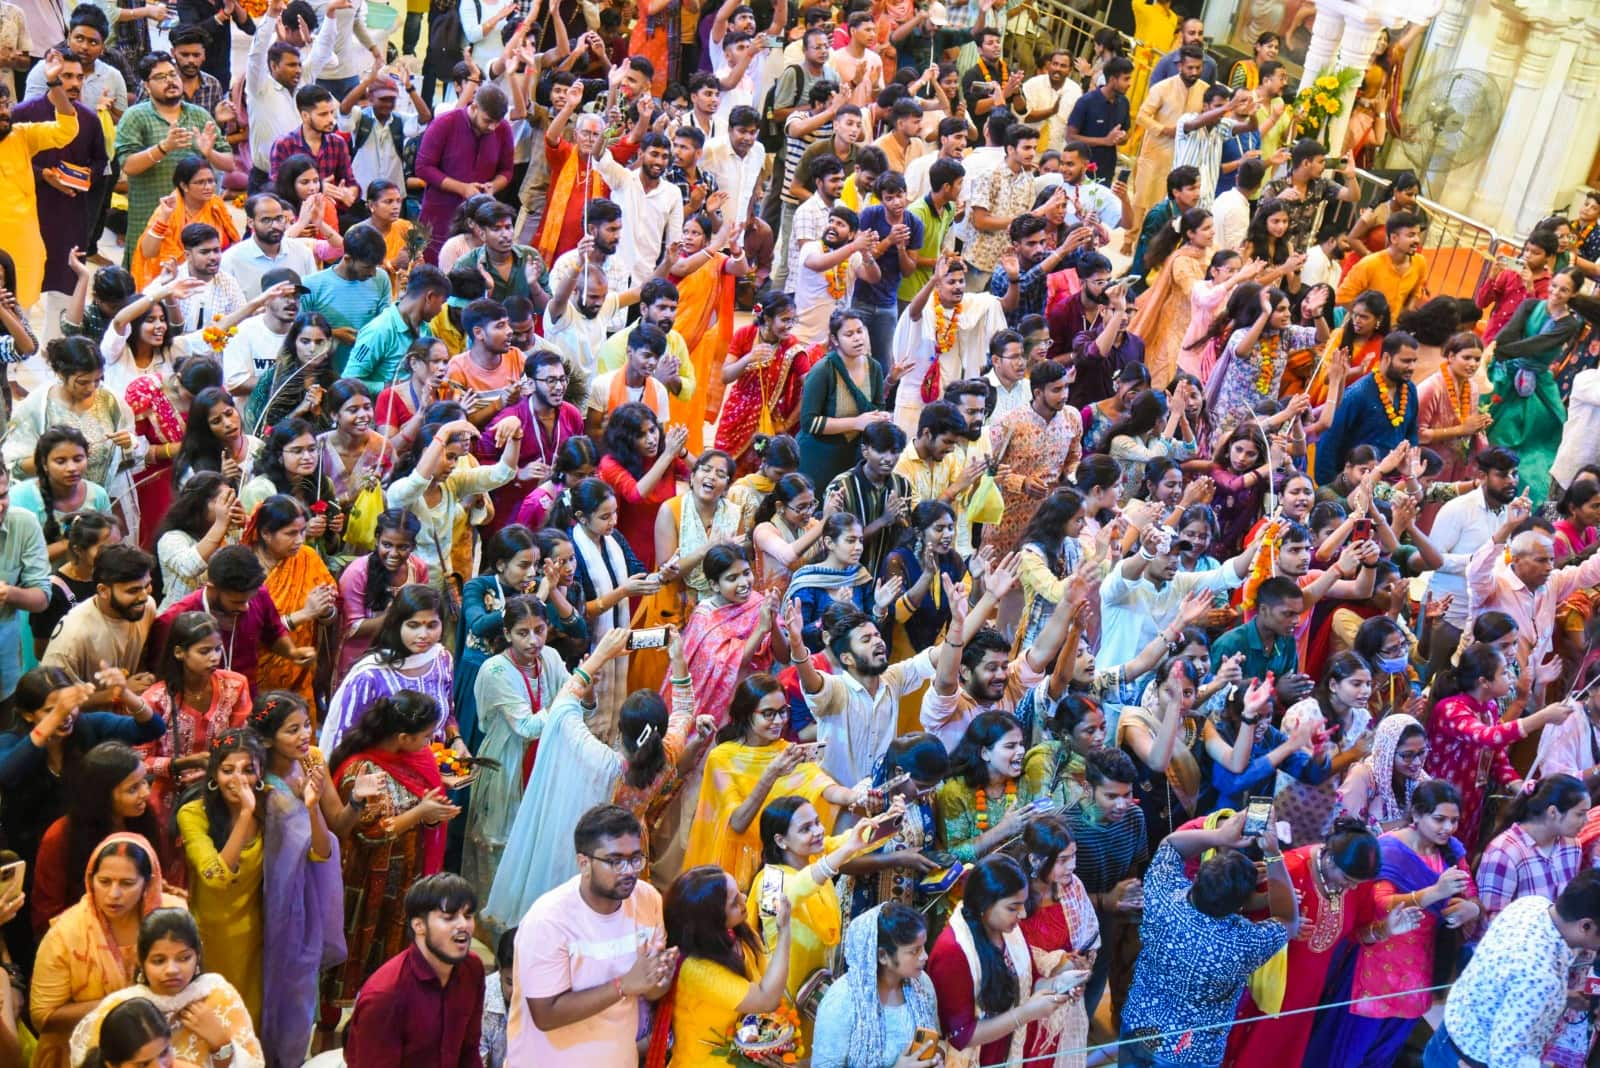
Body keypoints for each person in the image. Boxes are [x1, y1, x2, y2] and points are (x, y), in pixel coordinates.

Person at [1310, 780, 1481, 1068]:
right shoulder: (1389, 848)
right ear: (1416, 815)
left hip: (1419, 968)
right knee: (1351, 1050)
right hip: (1376, 964)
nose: (1448, 828)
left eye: (1454, 820)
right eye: (1439, 819)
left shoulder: (1451, 851)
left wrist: (1469, 909)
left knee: (1385, 1051)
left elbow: (1473, 895)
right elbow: (1379, 903)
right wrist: (1434, 894)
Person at [1224, 818, 1414, 1068]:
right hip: (1265, 990)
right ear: (1330, 858)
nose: (1353, 887)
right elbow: (1238, 926)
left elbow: (1357, 934)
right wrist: (1281, 929)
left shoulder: (1358, 881)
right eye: (1347, 879)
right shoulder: (1290, 870)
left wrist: (1385, 930)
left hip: (1306, 994)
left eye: (1357, 882)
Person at [322, 692, 461, 1009]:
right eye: (425, 736)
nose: (429, 744)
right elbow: (371, 833)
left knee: (388, 953)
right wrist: (421, 813)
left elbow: (414, 809)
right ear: (402, 737)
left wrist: (431, 816)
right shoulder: (365, 770)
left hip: (400, 879)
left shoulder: (408, 760)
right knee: (358, 950)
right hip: (367, 881)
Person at [504, 803, 672, 1065]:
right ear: (584, 863)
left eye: (635, 859)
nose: (629, 871)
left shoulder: (648, 900)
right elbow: (546, 1014)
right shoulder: (548, 920)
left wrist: (660, 978)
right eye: (615, 861)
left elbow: (649, 990)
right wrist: (623, 985)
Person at [28, 833, 185, 1068]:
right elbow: (44, 1016)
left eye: (127, 883)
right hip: (81, 1056)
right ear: (90, 879)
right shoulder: (66, 934)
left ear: (148, 883)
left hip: (162, 1051)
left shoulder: (172, 916)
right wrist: (123, 1003)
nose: (113, 894)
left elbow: (194, 976)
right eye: (104, 881)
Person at [1423, 869, 1600, 1068]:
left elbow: (1511, 983)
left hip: (1449, 1038)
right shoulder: (1541, 977)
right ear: (1585, 926)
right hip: (1469, 1060)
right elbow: (1506, 1060)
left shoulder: (1532, 905)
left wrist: (1561, 996)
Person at [927, 854, 1078, 1067]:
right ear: (984, 904)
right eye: (1013, 907)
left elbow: (1029, 984)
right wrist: (1024, 1014)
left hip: (1005, 1053)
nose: (1023, 914)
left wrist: (1059, 985)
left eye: (1023, 905)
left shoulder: (1008, 930)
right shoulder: (952, 950)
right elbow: (961, 1037)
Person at [67, 908, 264, 1068]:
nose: (172, 970)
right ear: (140, 960)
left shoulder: (218, 996)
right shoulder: (119, 1008)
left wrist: (221, 1044)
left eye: (184, 958)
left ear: (197, 955)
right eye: (159, 960)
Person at [656, 864, 794, 1068]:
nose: (744, 899)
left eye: (740, 892)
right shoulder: (695, 969)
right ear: (710, 921)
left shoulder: (739, 933)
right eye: (734, 902)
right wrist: (784, 933)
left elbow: (768, 986)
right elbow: (766, 999)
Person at [342, 872, 485, 1064]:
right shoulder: (386, 995)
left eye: (468, 916)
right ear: (419, 925)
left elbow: (469, 1051)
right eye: (449, 917)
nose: (463, 925)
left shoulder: (472, 969)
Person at [173, 728, 265, 1023]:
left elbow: (318, 852)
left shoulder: (274, 805)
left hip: (261, 935)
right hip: (211, 935)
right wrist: (245, 814)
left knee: (253, 1023)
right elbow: (215, 877)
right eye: (228, 770)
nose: (238, 779)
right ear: (213, 774)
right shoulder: (192, 813)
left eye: (248, 769)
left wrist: (312, 808)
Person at [115, 51, 233, 271]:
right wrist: (163, 148)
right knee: (148, 296)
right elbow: (128, 165)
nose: (170, 80)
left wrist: (209, 153)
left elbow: (228, 163)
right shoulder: (135, 116)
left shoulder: (199, 115)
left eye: (173, 74)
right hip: (151, 221)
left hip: (196, 227)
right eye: (160, 77)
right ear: (146, 86)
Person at [1486, 268, 1586, 503]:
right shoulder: (1530, 305)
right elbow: (1511, 331)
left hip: (1538, 378)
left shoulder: (1569, 323)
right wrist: (1496, 348)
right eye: (1554, 286)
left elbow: (1537, 345)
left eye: (1564, 290)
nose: (1555, 292)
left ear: (1573, 294)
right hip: (1509, 370)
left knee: (1559, 424)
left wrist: (1501, 351)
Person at [139, 611, 251, 817]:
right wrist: (186, 763)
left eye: (218, 649)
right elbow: (139, 761)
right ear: (180, 653)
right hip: (170, 799)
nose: (214, 657)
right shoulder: (154, 700)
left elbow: (243, 739)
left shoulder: (235, 686)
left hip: (223, 791)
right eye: (204, 651)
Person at [0, 51, 77, 308]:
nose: (4, 112)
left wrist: (54, 83)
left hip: (21, 252)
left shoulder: (21, 135)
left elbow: (67, 129)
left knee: (18, 324)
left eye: (5, 104)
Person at [1313, 331, 1421, 485]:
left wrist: (1411, 468)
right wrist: (1330, 488)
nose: (1412, 367)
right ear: (1386, 358)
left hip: (1394, 484)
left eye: (1414, 361)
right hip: (1357, 484)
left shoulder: (1409, 390)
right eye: (1406, 361)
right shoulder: (1358, 394)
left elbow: (1411, 434)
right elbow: (1329, 441)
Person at [41, 543, 157, 681]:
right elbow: (52, 696)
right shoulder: (73, 636)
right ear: (103, 591)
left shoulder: (147, 606)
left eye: (147, 585)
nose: (144, 596)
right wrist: (117, 694)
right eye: (133, 590)